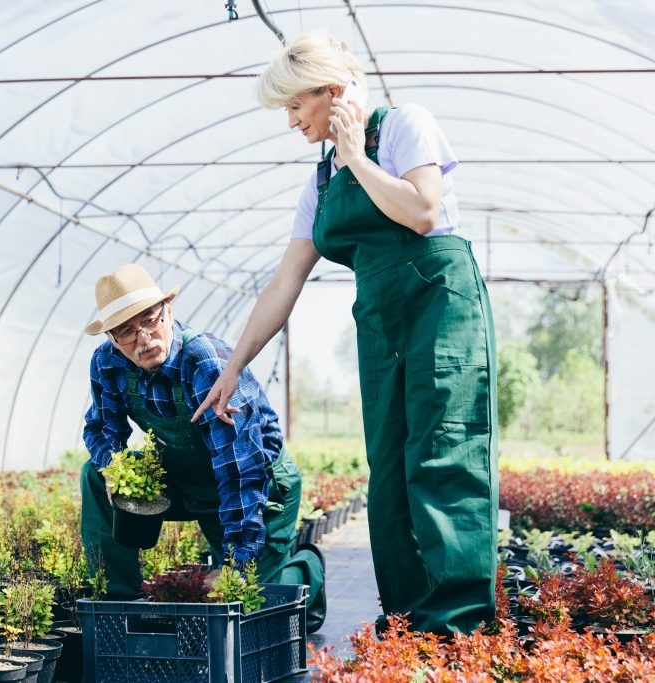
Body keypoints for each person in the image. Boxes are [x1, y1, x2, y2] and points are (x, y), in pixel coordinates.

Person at [192, 30, 498, 637]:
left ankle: (458, 627)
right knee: (386, 468)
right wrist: (231, 370)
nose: (289, 122)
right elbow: (284, 283)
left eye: (295, 106)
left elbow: (422, 211)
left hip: (440, 304)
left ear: (332, 93)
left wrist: (357, 155)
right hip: (380, 317)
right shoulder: (321, 181)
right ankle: (409, 622)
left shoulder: (403, 126)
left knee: (443, 455)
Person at [80, 263, 325, 630]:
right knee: (95, 475)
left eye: (150, 320)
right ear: (113, 339)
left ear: (168, 310)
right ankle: (117, 604)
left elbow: (240, 471)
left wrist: (236, 568)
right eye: (127, 332)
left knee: (251, 604)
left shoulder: (204, 362)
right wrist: (115, 468)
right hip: (188, 480)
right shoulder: (107, 363)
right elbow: (100, 429)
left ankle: (307, 570)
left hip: (257, 484)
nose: (144, 338)